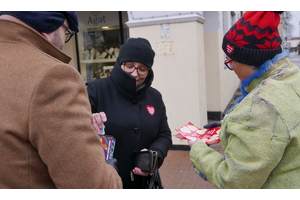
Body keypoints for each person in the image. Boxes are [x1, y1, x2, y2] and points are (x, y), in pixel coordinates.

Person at [0, 11, 122, 189]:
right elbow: (93, 186)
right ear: (51, 24)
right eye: (67, 32)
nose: (64, 42)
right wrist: (109, 168)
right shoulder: (53, 76)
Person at [189, 11, 300, 189]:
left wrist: (197, 149)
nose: (230, 66)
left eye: (231, 60)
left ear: (252, 61)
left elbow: (233, 181)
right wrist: (229, 127)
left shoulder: (261, 107)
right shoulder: (291, 78)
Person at [87, 37, 172, 189]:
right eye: (129, 66)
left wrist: (153, 155)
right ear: (120, 64)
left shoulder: (155, 97)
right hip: (106, 182)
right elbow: (75, 130)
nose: (135, 74)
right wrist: (88, 121)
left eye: (142, 69)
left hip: (144, 184)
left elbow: (164, 134)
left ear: (148, 71)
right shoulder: (96, 90)